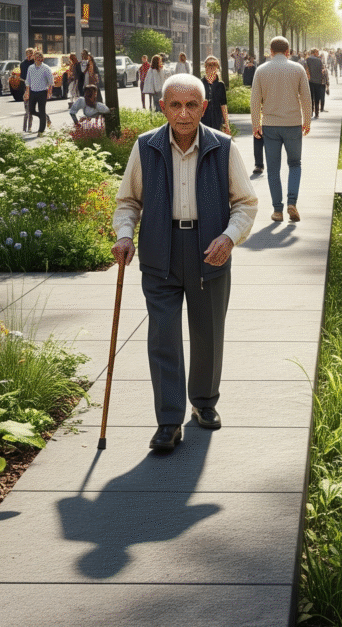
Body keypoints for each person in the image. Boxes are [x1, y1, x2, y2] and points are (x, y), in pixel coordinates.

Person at [111, 74, 258, 450]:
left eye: (192, 105)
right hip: (161, 247)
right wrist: (125, 235)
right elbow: (128, 201)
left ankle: (205, 404)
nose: (184, 113)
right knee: (163, 336)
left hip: (209, 249)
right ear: (162, 108)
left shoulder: (223, 147)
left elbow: (245, 202)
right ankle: (168, 419)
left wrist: (229, 237)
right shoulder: (146, 147)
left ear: (204, 108)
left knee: (207, 332)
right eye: (175, 105)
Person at [249, 36, 311, 222]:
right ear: (288, 51)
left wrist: (255, 124)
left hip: (270, 125)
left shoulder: (261, 70)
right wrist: (307, 121)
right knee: (295, 164)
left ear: (270, 51)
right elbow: (306, 99)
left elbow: (254, 100)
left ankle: (277, 210)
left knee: (273, 169)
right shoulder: (298, 69)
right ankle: (292, 202)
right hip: (292, 124)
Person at [23, 51, 54, 137]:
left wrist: (49, 92)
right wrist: (27, 93)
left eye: (39, 57)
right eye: (36, 57)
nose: (37, 59)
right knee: (31, 110)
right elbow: (27, 81)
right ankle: (44, 117)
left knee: (42, 110)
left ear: (42, 59)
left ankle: (41, 131)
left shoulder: (46, 68)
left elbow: (51, 82)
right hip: (33, 92)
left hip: (42, 92)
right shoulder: (30, 68)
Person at [200, 56, 231, 134]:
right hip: (203, 119)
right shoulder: (200, 83)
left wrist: (227, 124)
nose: (211, 67)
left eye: (214, 65)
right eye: (209, 65)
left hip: (217, 120)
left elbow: (223, 105)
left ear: (217, 68)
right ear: (205, 67)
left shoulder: (220, 85)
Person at [305, 48, 325, 119]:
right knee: (317, 97)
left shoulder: (307, 60)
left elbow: (305, 69)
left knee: (310, 97)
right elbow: (322, 70)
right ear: (315, 52)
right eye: (317, 52)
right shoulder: (319, 60)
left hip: (310, 81)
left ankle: (310, 112)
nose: (318, 54)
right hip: (318, 81)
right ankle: (317, 113)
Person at [19, 47, 36, 132]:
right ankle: (25, 128)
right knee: (27, 111)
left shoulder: (35, 63)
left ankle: (29, 127)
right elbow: (22, 77)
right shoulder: (23, 64)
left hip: (35, 89)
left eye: (31, 53)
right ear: (26, 54)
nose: (29, 54)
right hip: (26, 89)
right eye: (28, 53)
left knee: (31, 110)